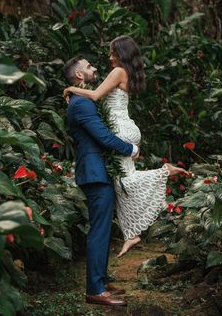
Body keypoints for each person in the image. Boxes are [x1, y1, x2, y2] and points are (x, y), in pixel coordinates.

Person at [64, 35, 189, 260]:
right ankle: (130, 232)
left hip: (120, 130)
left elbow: (94, 95)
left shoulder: (118, 72)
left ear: (121, 54)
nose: (109, 57)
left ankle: (164, 172)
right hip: (126, 127)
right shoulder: (126, 73)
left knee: (125, 181)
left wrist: (70, 89)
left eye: (112, 52)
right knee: (121, 182)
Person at [64, 55, 140, 306]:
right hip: (94, 172)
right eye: (88, 67)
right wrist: (131, 150)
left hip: (98, 170)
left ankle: (102, 280)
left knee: (103, 228)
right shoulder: (82, 105)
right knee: (99, 230)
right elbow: (104, 137)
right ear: (78, 76)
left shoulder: (81, 100)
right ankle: (95, 290)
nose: (94, 68)